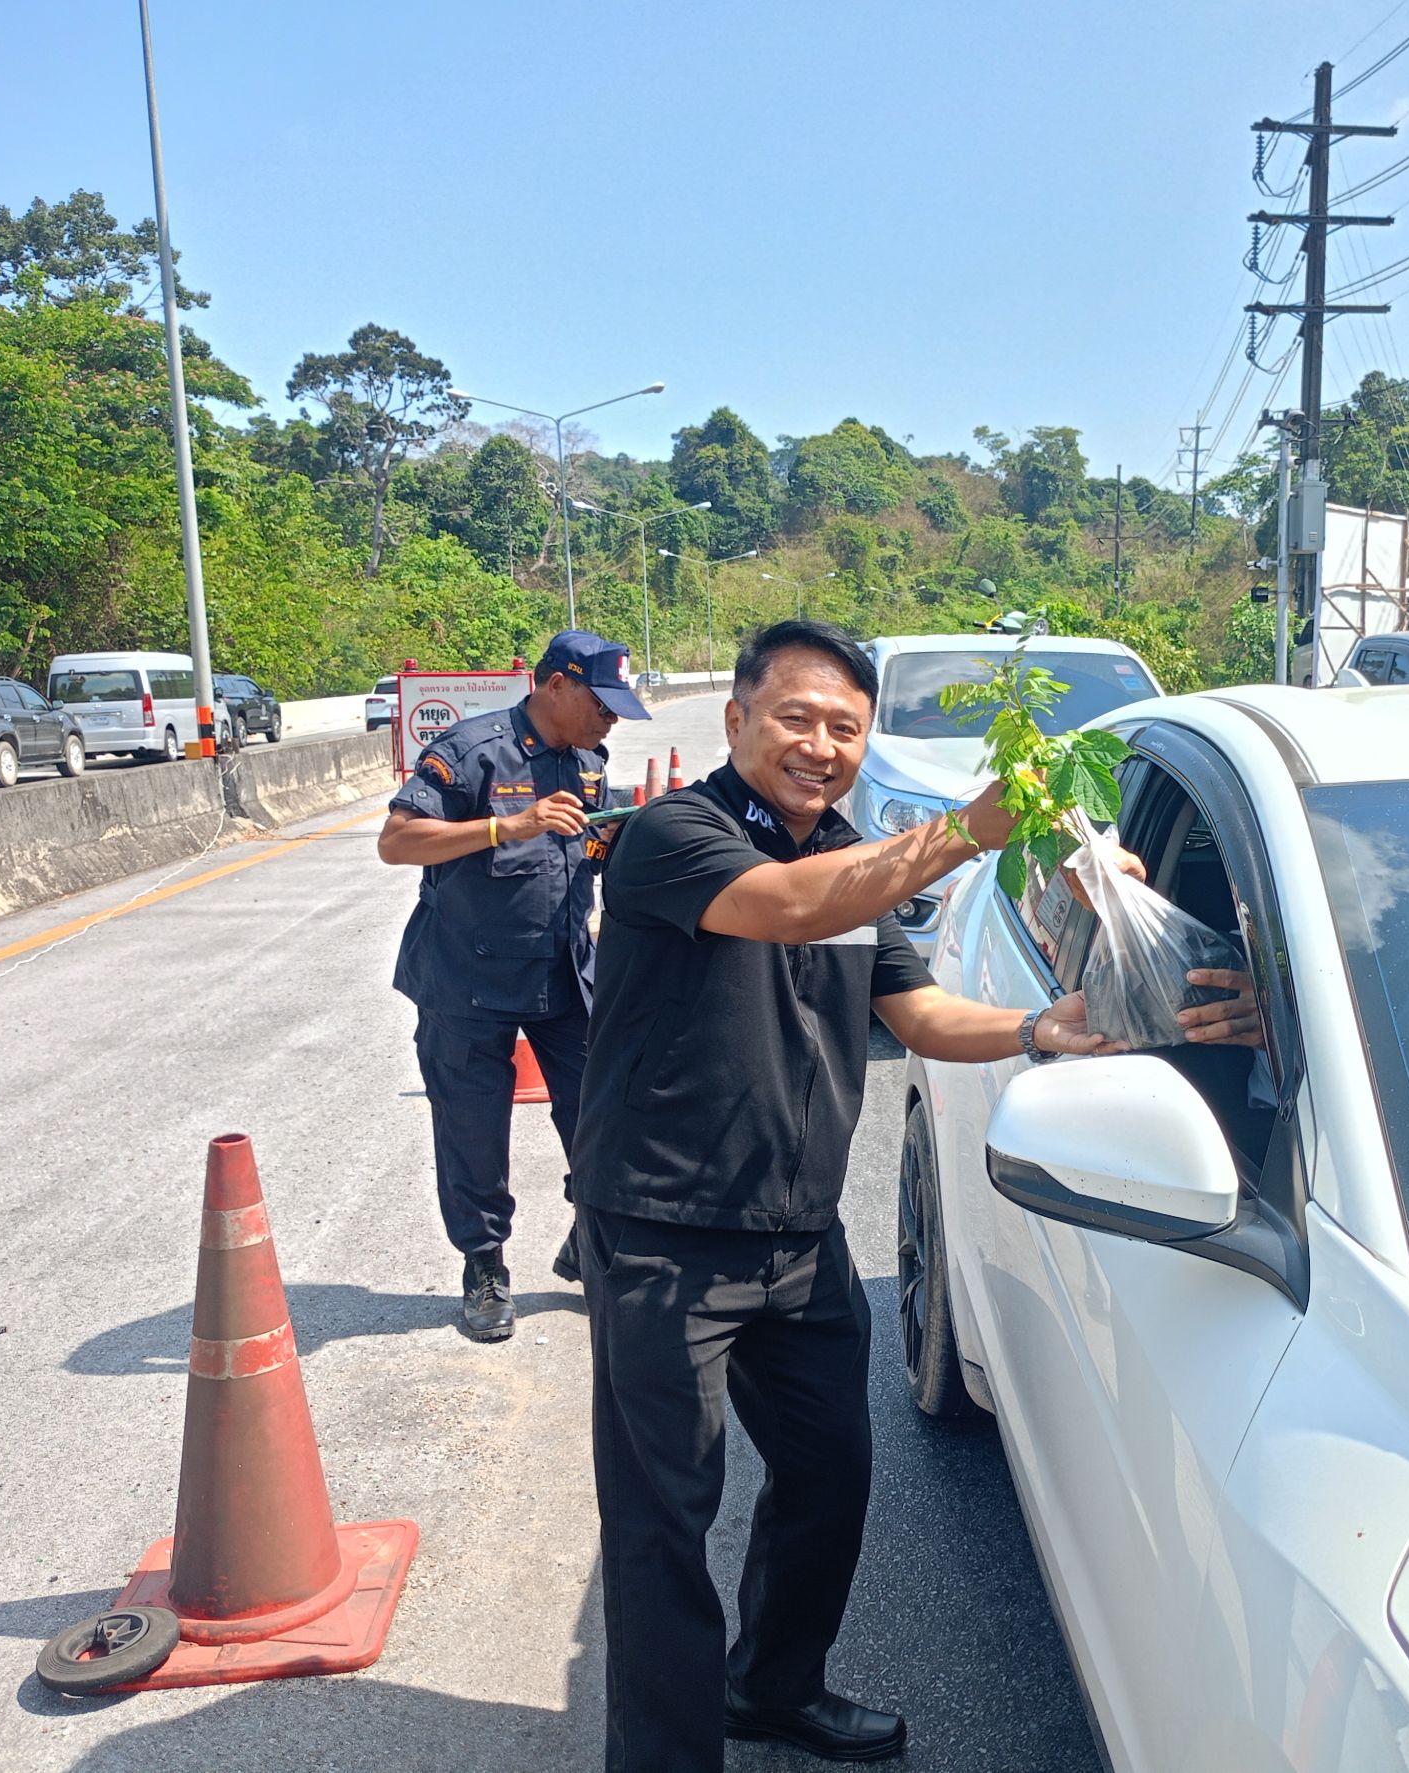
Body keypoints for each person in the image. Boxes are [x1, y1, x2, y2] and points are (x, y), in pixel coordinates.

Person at [573, 618, 1135, 1771]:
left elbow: (919, 1014)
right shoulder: (671, 836)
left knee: (832, 1474)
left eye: (845, 726)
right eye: (796, 717)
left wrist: (1041, 1029)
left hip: (797, 1238)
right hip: (665, 1238)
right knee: (664, 1525)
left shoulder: (848, 860)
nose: (820, 744)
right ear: (736, 721)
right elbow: (788, 908)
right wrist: (976, 828)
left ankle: (773, 1687)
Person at [378, 631, 647, 1340]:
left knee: (603, 1118)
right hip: (465, 978)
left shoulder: (590, 760)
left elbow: (581, 851)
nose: (612, 718)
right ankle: (485, 1265)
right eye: (602, 701)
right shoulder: (473, 751)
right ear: (556, 684)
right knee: (471, 1129)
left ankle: (588, 1237)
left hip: (562, 972)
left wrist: (614, 839)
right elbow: (396, 841)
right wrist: (505, 827)